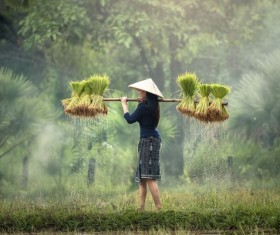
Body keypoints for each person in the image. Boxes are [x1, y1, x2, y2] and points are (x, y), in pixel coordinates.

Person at [121, 78, 163, 211]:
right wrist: (142, 102)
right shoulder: (153, 105)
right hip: (151, 140)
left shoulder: (143, 107)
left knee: (149, 177)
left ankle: (158, 207)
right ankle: (141, 207)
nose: (139, 92)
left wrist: (124, 104)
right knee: (142, 177)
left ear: (146, 92)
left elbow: (130, 119)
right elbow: (144, 113)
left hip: (148, 141)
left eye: (141, 90)